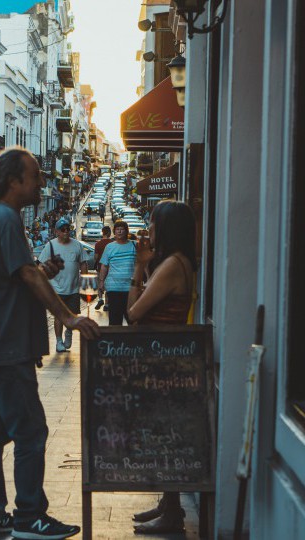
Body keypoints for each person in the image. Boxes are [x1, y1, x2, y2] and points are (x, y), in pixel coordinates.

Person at [0, 147, 99, 540]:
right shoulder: (6, 218)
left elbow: (23, 273)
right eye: (35, 175)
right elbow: (26, 275)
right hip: (6, 347)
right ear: (13, 181)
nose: (41, 182)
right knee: (30, 432)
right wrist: (68, 317)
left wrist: (44, 269)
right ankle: (30, 517)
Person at [126, 201, 197, 535]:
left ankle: (172, 514)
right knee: (163, 435)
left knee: (166, 438)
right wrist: (143, 266)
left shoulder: (172, 265)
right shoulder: (174, 262)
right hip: (160, 358)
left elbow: (133, 313)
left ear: (165, 228)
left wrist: (139, 269)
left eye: (152, 224)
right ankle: (168, 504)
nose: (147, 229)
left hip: (164, 362)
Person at [38, 217, 88, 352]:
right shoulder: (51, 245)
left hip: (73, 288)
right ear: (57, 232)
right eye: (63, 230)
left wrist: (84, 281)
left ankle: (69, 333)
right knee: (58, 315)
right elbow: (41, 264)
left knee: (72, 314)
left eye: (68, 229)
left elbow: (83, 264)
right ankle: (59, 341)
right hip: (56, 288)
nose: (66, 232)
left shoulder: (77, 245)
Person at [98, 220, 136, 325]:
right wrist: (101, 282)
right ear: (114, 232)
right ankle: (116, 341)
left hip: (130, 288)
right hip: (113, 288)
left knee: (132, 319)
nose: (119, 232)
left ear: (126, 231)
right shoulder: (110, 247)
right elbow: (104, 266)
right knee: (115, 320)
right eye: (117, 229)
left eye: (122, 229)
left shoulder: (134, 245)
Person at [93, 226, 114, 311]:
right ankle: (107, 304)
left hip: (100, 267)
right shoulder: (112, 243)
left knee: (100, 283)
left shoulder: (98, 244)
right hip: (110, 267)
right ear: (109, 233)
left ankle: (100, 299)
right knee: (108, 285)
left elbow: (96, 257)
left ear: (102, 233)